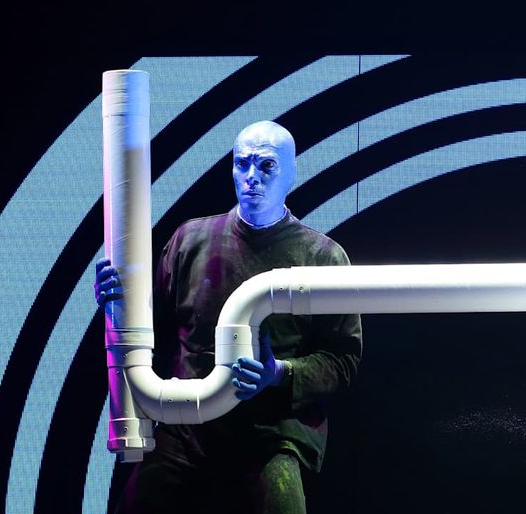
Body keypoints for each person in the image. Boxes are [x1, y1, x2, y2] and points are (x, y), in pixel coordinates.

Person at [94, 121, 363, 514]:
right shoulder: (190, 240)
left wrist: (279, 373)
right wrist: (117, 302)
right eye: (242, 163)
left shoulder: (323, 257)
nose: (252, 176)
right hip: (188, 429)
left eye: (267, 166)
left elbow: (343, 358)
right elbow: (154, 324)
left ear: (291, 174)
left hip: (271, 434)